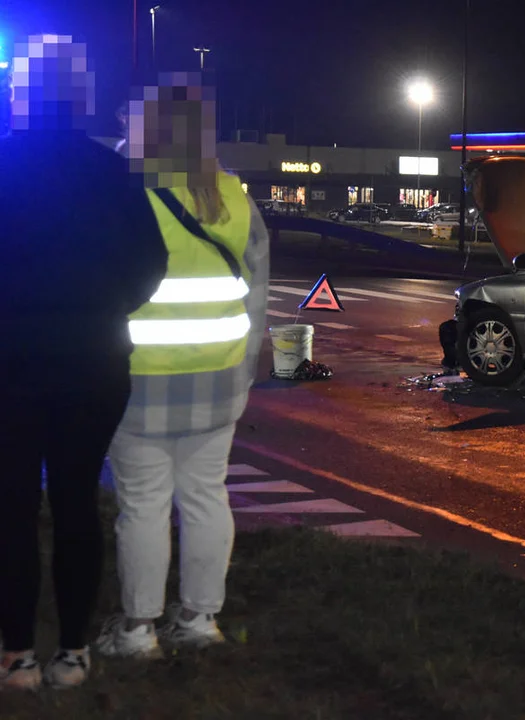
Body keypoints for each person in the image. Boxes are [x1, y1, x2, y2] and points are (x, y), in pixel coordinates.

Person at [0, 35, 169, 690]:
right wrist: (105, 307)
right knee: (76, 501)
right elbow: (150, 265)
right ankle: (73, 651)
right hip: (94, 361)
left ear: (19, 97)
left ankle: (16, 653)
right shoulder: (114, 174)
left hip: (10, 362)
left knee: (11, 506)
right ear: (81, 99)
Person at [94, 72, 270, 659]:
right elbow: (256, 297)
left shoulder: (123, 193)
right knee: (205, 496)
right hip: (217, 380)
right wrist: (243, 374)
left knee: (142, 503)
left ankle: (139, 629)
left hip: (138, 378)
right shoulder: (234, 196)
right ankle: (199, 620)